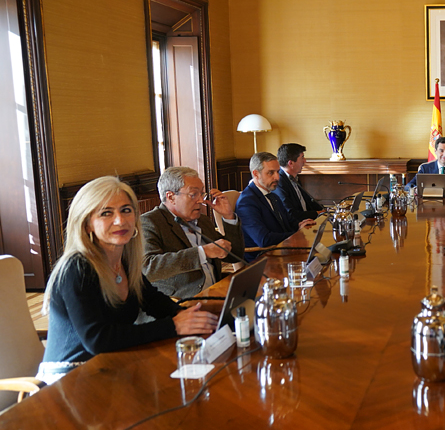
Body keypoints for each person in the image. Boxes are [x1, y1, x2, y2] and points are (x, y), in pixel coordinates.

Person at [39, 176, 219, 383]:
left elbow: (152, 301)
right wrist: (174, 326)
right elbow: (98, 339)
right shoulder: (77, 268)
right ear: (87, 224)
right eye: (106, 213)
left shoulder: (123, 260)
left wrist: (192, 318)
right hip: (71, 378)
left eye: (126, 210)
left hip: (113, 364)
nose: (120, 220)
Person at [141, 167, 245, 299]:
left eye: (202, 194)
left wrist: (228, 217)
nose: (201, 200)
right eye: (193, 194)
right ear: (171, 197)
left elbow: (234, 256)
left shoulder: (203, 220)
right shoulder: (149, 222)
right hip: (180, 304)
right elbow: (149, 268)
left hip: (215, 294)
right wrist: (203, 252)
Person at [236, 152, 316, 262]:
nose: (277, 177)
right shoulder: (247, 202)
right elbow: (264, 239)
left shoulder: (272, 196)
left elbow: (288, 221)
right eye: (270, 173)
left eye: (278, 172)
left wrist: (300, 224)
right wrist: (296, 234)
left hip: (282, 251)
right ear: (256, 174)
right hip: (263, 260)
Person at [273, 143, 325, 224]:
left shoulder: (294, 178)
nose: (305, 161)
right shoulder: (279, 183)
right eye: (302, 158)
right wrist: (318, 213)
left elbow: (309, 202)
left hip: (307, 222)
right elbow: (290, 213)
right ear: (291, 163)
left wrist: (326, 211)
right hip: (295, 228)